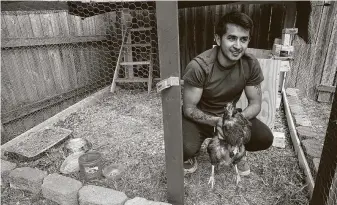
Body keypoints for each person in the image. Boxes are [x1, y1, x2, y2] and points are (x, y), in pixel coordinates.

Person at [182, 11, 274, 175]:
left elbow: (255, 104)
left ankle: (237, 150)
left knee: (265, 138)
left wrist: (235, 122)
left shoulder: (250, 64)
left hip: (230, 117)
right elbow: (189, 108)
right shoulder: (200, 66)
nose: (238, 46)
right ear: (218, 39)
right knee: (183, 147)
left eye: (243, 39)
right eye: (231, 38)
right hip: (201, 119)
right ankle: (190, 155)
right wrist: (216, 122)